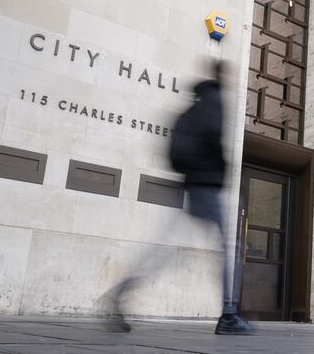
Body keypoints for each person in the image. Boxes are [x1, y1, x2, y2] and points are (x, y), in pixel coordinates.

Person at [106, 59, 252, 335]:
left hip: (193, 185)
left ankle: (123, 290)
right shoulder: (215, 100)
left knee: (167, 247)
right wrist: (223, 170)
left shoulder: (195, 105)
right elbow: (212, 138)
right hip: (207, 185)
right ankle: (229, 314)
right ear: (221, 75)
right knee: (227, 250)